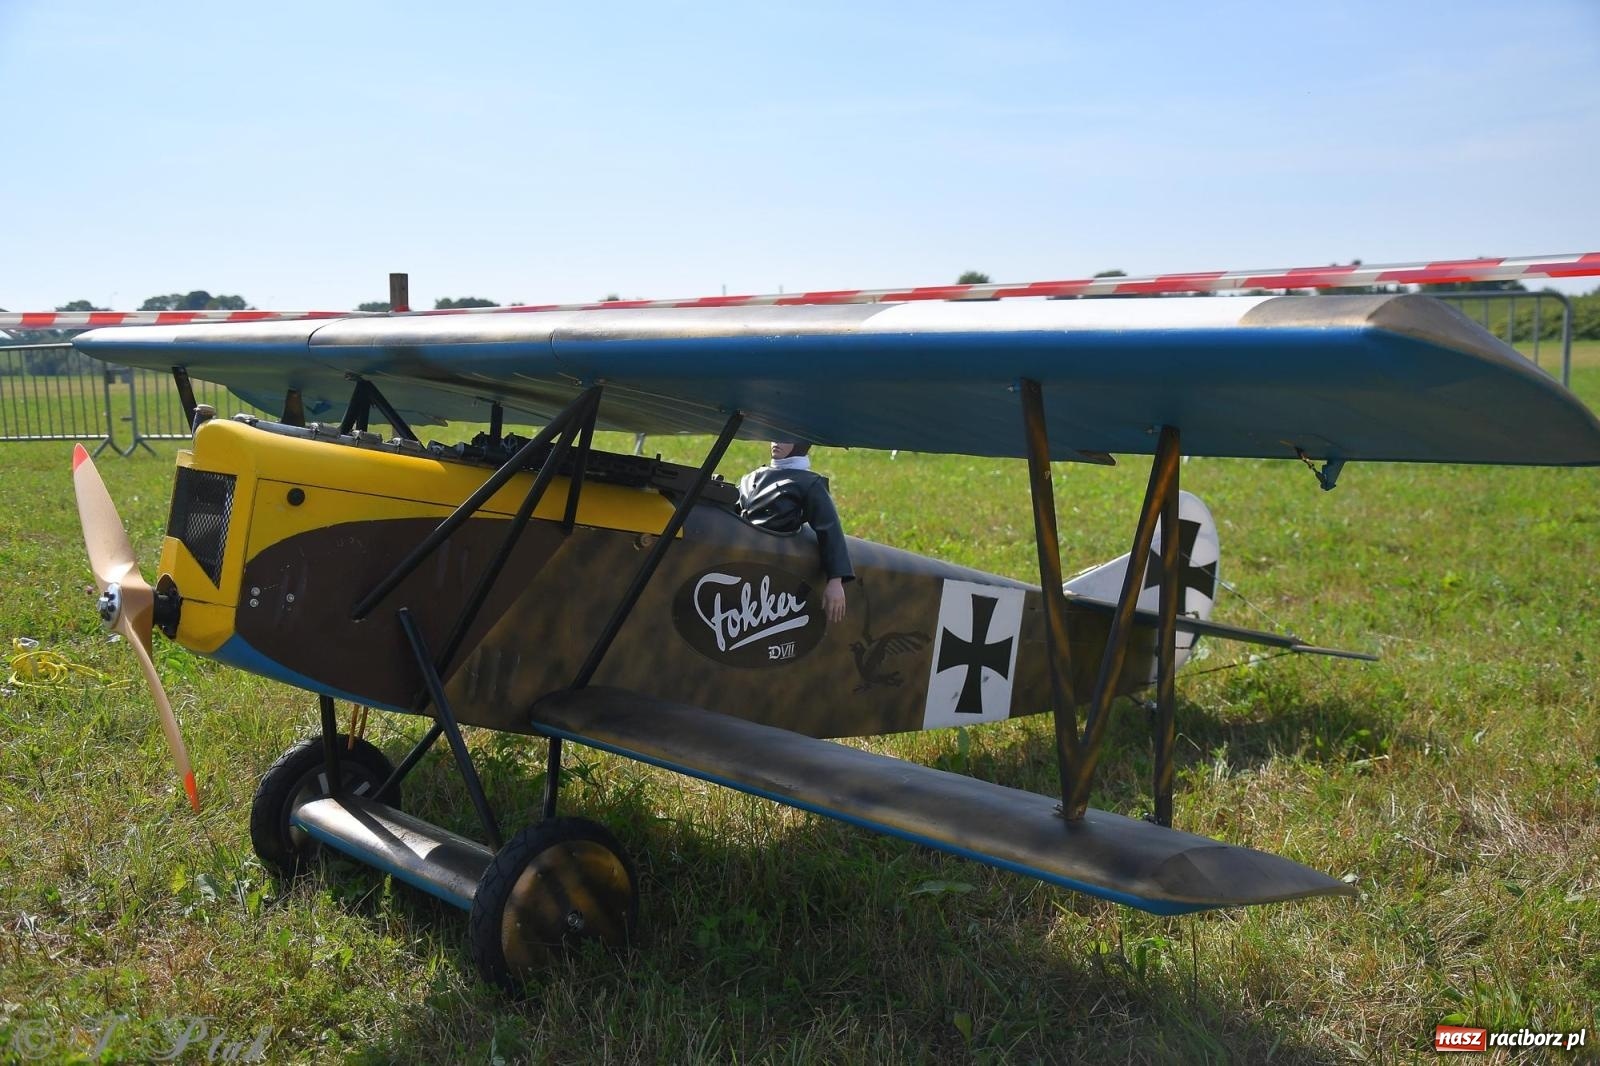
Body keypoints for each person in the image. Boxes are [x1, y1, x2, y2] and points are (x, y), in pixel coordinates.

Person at [738, 440, 853, 622]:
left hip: (776, 564)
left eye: (785, 438)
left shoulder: (809, 483)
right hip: (741, 558)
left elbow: (830, 529)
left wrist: (835, 580)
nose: (776, 442)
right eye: (774, 436)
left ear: (800, 443)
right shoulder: (751, 477)